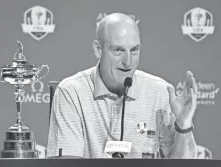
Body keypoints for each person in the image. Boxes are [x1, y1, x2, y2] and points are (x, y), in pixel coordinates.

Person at [47, 13, 198, 158]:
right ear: (98, 50)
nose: (128, 61)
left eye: (134, 50)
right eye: (118, 50)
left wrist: (183, 125)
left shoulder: (161, 93)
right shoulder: (71, 93)